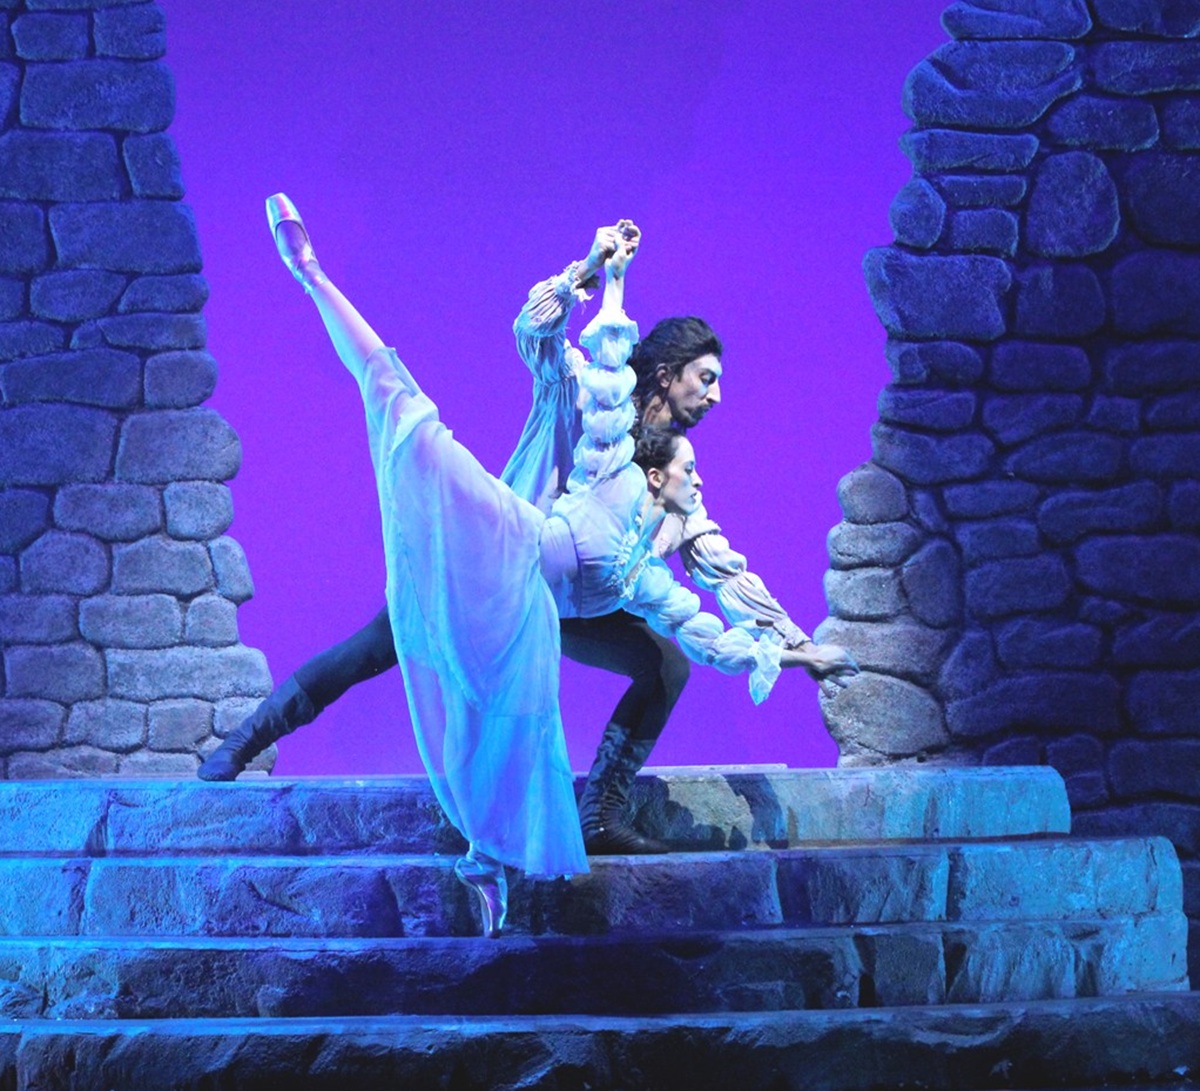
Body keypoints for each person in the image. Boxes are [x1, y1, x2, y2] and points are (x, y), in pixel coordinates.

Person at [252, 198, 835, 936]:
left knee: (664, 662)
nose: (716, 396)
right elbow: (535, 326)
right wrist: (593, 267)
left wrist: (794, 640)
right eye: (705, 378)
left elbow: (719, 566)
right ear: (664, 374)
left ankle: (601, 812)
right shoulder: (585, 389)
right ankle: (250, 735)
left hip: (574, 600)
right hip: (507, 563)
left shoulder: (674, 477)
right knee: (382, 644)